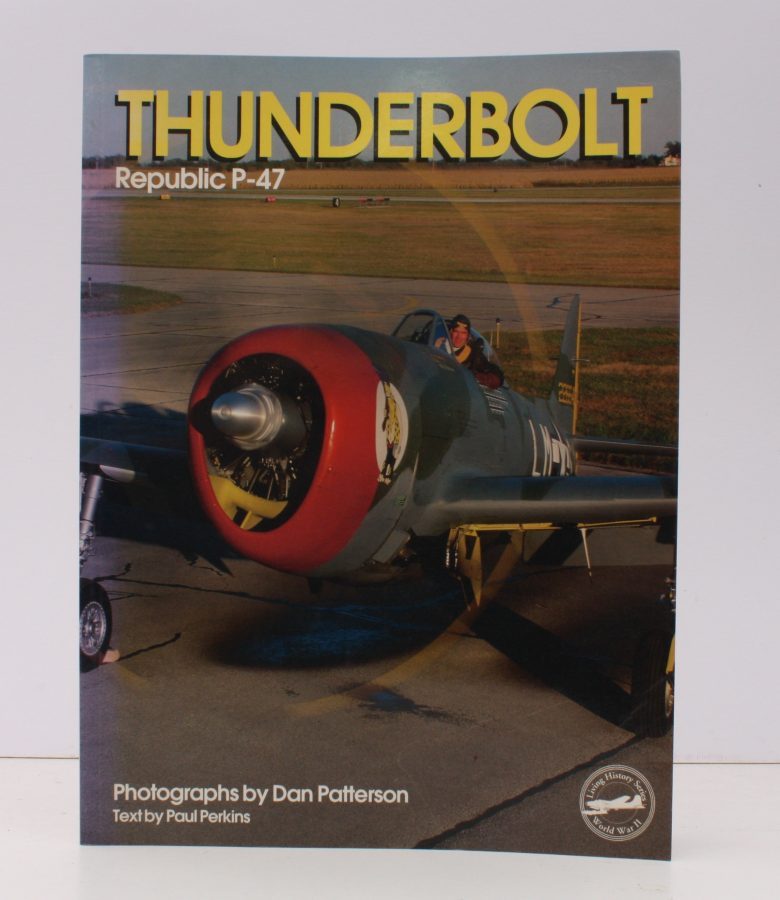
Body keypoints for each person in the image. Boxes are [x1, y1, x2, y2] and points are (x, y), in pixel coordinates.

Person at [447, 313, 504, 389]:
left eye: (463, 333)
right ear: (450, 332)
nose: (459, 337)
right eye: (456, 331)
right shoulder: (438, 345)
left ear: (468, 336)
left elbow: (497, 374)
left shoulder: (473, 353)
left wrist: (478, 377)